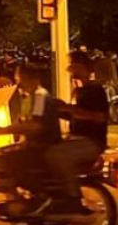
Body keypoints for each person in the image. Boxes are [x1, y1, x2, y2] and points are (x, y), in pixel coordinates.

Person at [45, 51, 109, 215]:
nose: (71, 71)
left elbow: (98, 117)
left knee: (56, 155)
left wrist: (69, 108)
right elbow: (74, 116)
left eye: (75, 66)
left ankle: (74, 199)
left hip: (91, 142)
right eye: (71, 67)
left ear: (85, 68)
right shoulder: (78, 92)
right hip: (75, 140)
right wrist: (56, 110)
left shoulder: (95, 90)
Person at [0, 64, 61, 202]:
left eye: (21, 80)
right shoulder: (28, 98)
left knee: (11, 162)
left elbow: (35, 127)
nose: (18, 85)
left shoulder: (40, 97)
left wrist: (5, 130)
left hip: (44, 147)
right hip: (30, 144)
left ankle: (33, 198)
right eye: (17, 81)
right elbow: (20, 122)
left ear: (33, 79)